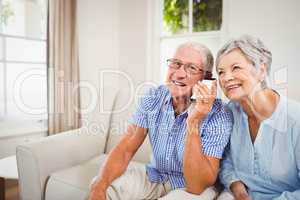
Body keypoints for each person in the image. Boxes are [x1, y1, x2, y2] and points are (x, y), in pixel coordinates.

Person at [87, 42, 233, 200]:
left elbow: (197, 186)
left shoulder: (219, 114)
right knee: (104, 189)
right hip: (156, 176)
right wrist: (99, 184)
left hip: (192, 187)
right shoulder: (153, 97)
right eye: (176, 64)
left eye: (191, 68)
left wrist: (195, 120)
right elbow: (125, 149)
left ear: (206, 79)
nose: (179, 74)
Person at [215, 35, 300, 200]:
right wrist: (234, 184)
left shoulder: (295, 119)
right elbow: (226, 161)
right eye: (221, 72)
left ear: (261, 71)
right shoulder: (229, 112)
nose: (225, 78)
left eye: (236, 68)